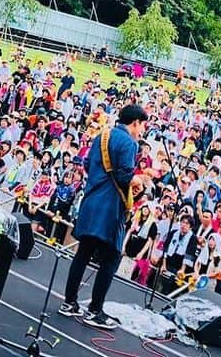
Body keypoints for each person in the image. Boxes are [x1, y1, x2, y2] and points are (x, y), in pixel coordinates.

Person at [58, 103, 148, 329]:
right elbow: (124, 176)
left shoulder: (102, 135)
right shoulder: (129, 143)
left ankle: (69, 302)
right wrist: (139, 181)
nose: (142, 131)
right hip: (110, 208)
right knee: (111, 258)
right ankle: (95, 310)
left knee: (83, 253)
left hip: (91, 200)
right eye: (142, 126)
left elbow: (88, 163)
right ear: (135, 122)